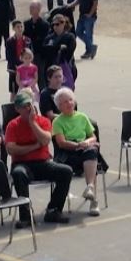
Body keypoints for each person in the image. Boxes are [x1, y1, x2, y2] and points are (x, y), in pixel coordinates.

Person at [4, 92, 74, 226]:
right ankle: (25, 217)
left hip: (42, 163)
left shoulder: (43, 121)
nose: (27, 109)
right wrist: (35, 146)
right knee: (18, 174)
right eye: (23, 106)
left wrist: (32, 123)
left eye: (29, 105)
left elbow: (46, 140)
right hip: (22, 164)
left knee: (66, 171)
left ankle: (54, 210)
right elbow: (11, 149)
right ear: (17, 109)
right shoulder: (12, 125)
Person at [50, 87, 105, 216]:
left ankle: (91, 192)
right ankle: (92, 194)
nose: (69, 103)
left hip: (84, 149)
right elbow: (61, 142)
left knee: (91, 153)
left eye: (70, 100)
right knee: (90, 160)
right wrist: (77, 145)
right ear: (59, 106)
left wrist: (87, 142)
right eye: (64, 102)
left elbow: (93, 136)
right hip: (68, 153)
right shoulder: (57, 122)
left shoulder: (82, 117)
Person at [6, 20, 29, 94]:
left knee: (26, 89)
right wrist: (16, 66)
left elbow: (31, 54)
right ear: (13, 29)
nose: (20, 29)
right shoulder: (10, 41)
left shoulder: (28, 40)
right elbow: (9, 56)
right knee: (14, 91)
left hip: (26, 68)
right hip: (14, 69)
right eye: (18, 27)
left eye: (21, 26)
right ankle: (13, 104)